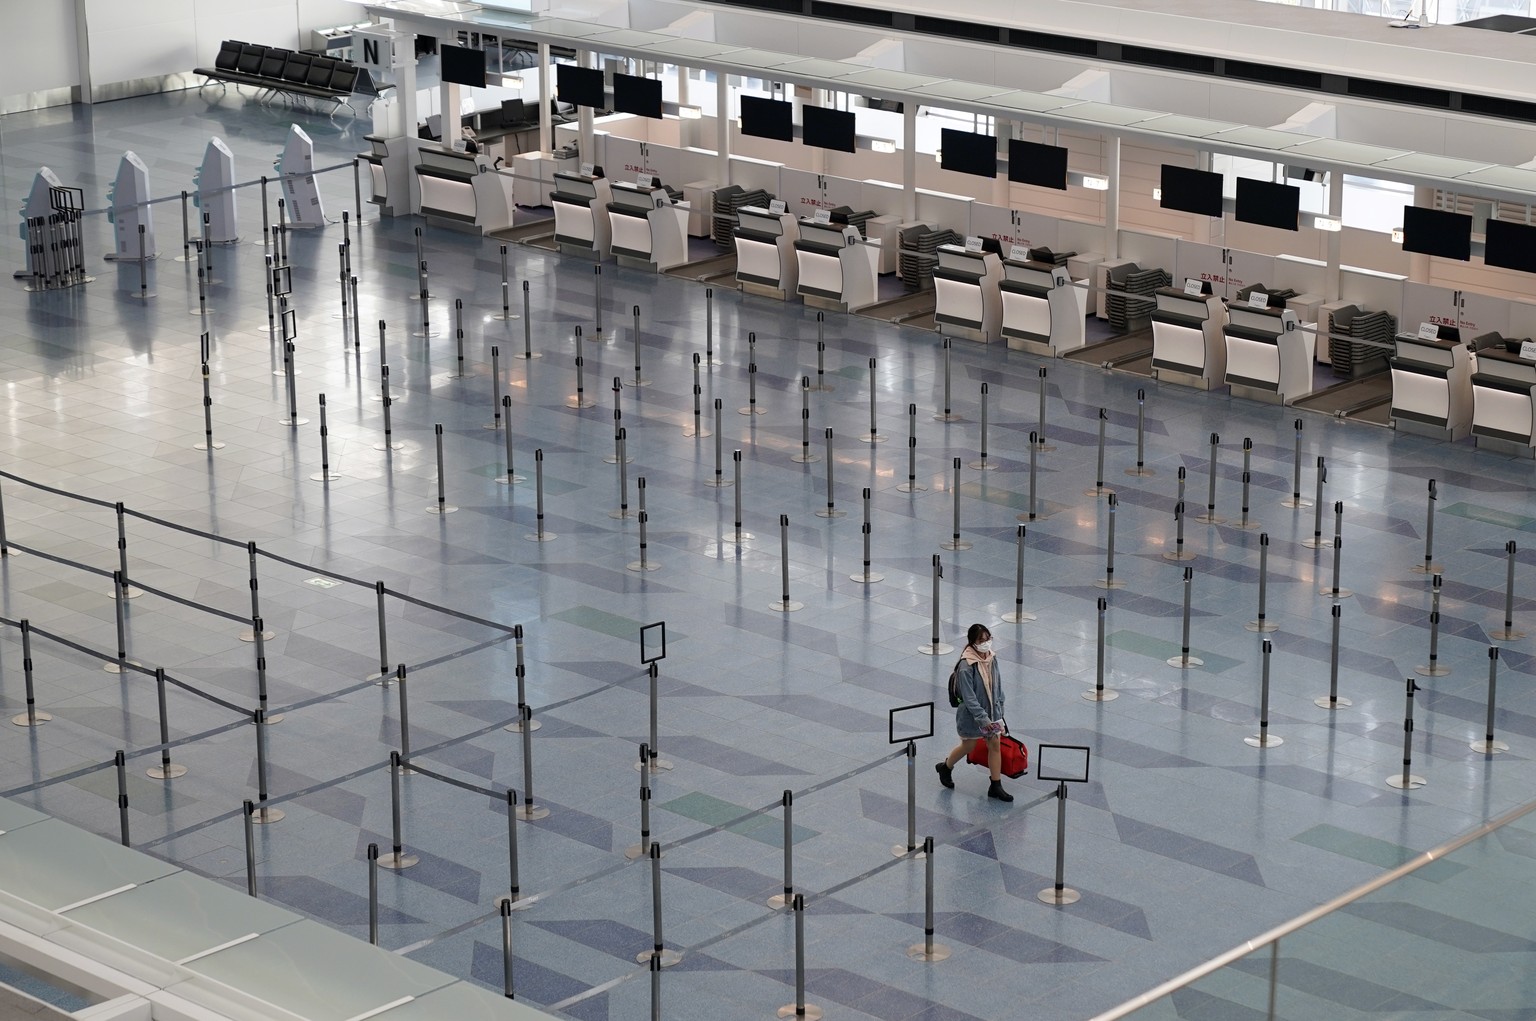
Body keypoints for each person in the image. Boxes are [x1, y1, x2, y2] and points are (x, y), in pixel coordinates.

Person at [936, 624, 1012, 802]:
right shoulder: (966, 666)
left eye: (988, 638)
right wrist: (983, 719)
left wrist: (1000, 709)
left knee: (994, 746)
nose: (986, 643)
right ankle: (945, 767)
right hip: (972, 717)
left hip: (992, 714)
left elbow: (997, 685)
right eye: (981, 640)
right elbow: (969, 699)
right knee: (969, 746)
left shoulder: (992, 658)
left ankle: (996, 785)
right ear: (973, 642)